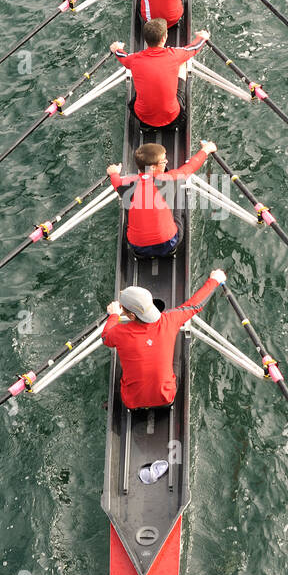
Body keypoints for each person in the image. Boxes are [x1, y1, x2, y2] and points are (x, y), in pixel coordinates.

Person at [104, 269, 227, 410]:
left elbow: (105, 338)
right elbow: (195, 305)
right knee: (177, 349)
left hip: (132, 403)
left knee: (123, 358)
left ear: (131, 316)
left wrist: (114, 315)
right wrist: (215, 280)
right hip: (166, 400)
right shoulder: (170, 319)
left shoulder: (118, 332)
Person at [107, 139, 216, 258]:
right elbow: (191, 166)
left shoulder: (124, 184)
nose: (167, 162)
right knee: (178, 191)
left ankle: (140, 250)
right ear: (153, 168)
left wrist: (113, 172)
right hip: (169, 243)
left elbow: (115, 180)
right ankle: (171, 250)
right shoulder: (170, 179)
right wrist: (206, 149)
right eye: (163, 161)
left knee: (128, 203)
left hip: (137, 247)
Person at [110, 18, 209, 129]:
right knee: (182, 63)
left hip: (142, 117)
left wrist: (117, 49)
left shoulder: (134, 59)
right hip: (173, 118)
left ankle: (146, 126)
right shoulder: (174, 55)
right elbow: (194, 48)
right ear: (164, 38)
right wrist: (202, 37)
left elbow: (122, 56)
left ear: (145, 39)